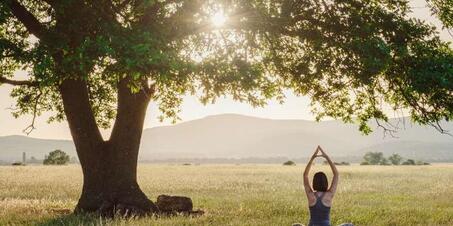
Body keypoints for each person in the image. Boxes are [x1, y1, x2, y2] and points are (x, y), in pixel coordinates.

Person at [303, 146, 339, 226]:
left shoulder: (310, 195)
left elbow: (305, 175)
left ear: (314, 182)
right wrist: (326, 157)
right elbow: (336, 174)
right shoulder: (329, 195)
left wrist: (312, 158)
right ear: (326, 182)